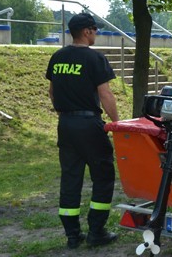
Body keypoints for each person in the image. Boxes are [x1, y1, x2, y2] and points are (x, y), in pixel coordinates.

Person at [46, 13, 119, 249]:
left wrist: (66, 115)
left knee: (70, 178)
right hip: (89, 125)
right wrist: (116, 123)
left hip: (66, 125)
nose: (96, 34)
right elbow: (105, 94)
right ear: (87, 31)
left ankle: (72, 235)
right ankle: (96, 231)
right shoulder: (95, 58)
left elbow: (52, 92)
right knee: (104, 175)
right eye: (95, 30)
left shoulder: (57, 57)